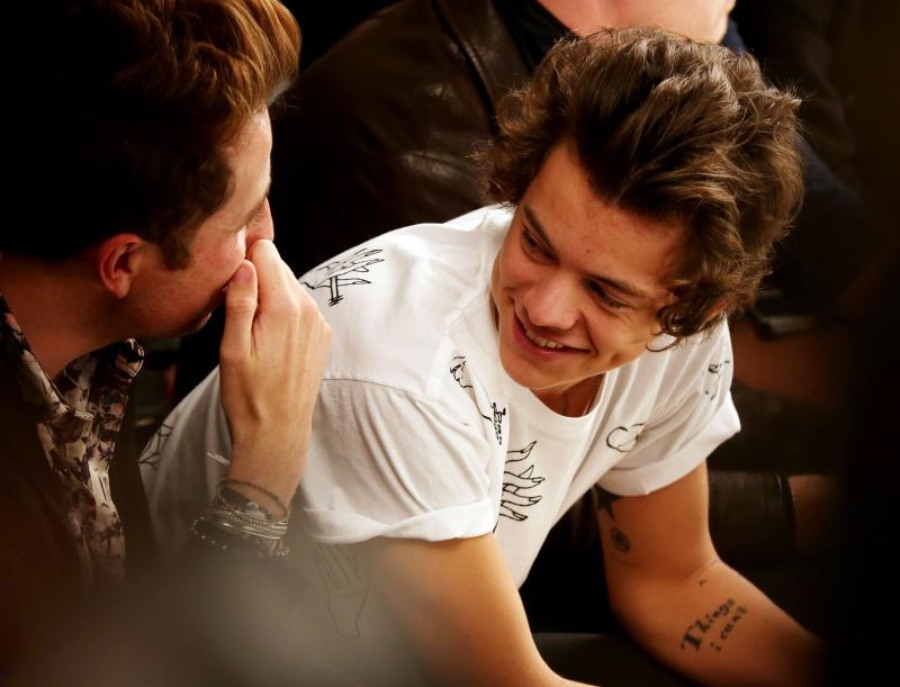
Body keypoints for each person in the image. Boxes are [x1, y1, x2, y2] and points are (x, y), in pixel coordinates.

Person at [143, 26, 825, 685]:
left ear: (695, 306)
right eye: (534, 241)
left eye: (605, 292)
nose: (545, 308)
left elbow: (674, 584)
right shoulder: (402, 369)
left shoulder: (683, 333)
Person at [0, 0, 331, 677]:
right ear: (123, 262)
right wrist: (263, 478)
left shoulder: (97, 355)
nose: (267, 238)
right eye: (244, 218)